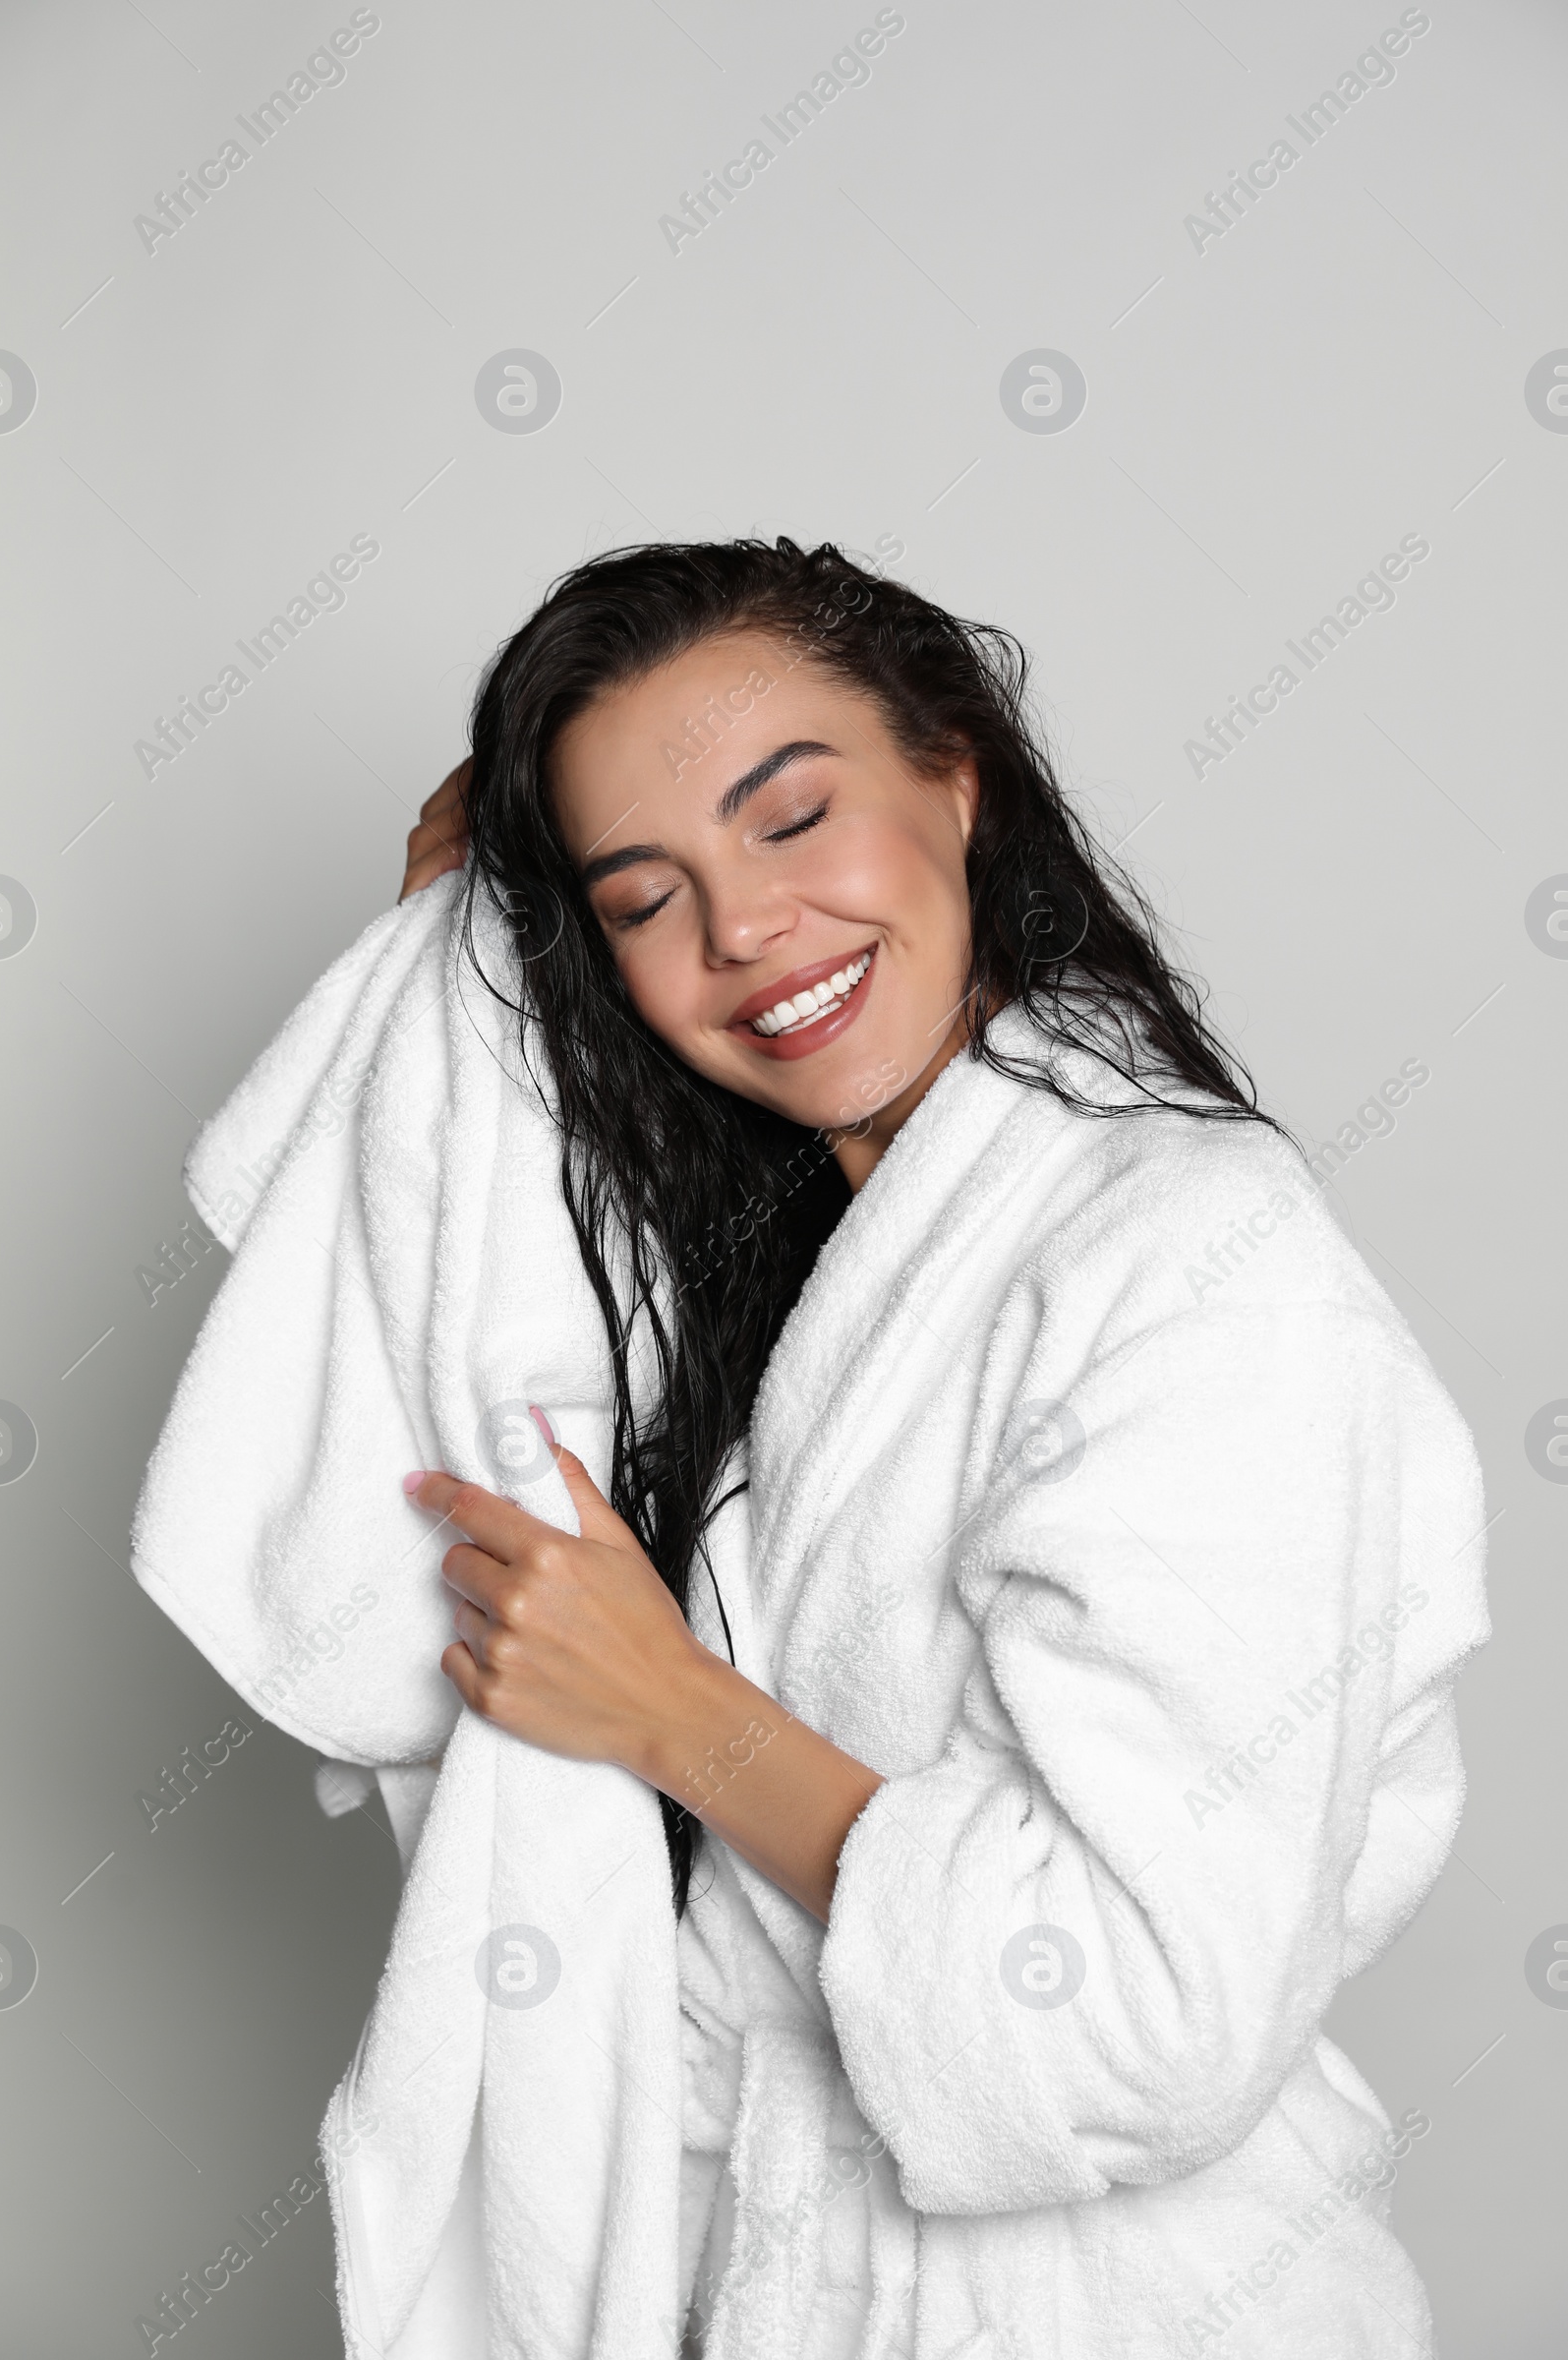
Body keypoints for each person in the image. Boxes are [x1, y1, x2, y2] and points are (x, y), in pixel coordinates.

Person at [383, 537, 1486, 2356]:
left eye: (792, 818)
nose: (742, 931)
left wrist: (674, 1709)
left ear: (956, 780)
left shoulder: (1192, 1248)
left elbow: (1149, 2003)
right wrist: (444, 971)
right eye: (645, 897)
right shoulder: (784, 1286)